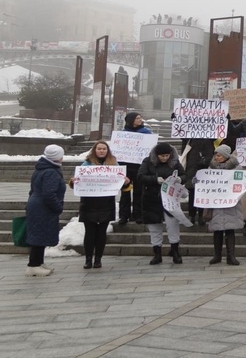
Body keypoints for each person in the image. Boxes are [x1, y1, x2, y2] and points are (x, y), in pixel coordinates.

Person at [72, 141, 130, 269]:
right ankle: (88, 259)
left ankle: (98, 258)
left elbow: (123, 185)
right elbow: (75, 182)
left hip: (106, 202)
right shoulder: (86, 164)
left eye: (104, 149)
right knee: (90, 232)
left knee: (101, 233)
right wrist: (74, 181)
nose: (102, 151)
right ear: (95, 150)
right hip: (89, 203)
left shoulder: (114, 164)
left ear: (107, 150)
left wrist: (126, 182)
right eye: (99, 149)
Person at [139, 142, 186, 266]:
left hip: (170, 199)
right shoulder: (147, 162)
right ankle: (157, 253)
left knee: (172, 226)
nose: (165, 158)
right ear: (156, 155)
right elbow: (140, 176)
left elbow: (184, 175)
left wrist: (179, 179)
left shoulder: (175, 162)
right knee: (154, 227)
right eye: (162, 156)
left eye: (167, 155)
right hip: (152, 199)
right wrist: (155, 180)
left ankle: (175, 251)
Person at [25, 145, 66, 277]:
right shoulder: (51, 172)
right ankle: (33, 265)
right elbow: (49, 194)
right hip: (43, 206)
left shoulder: (42, 168)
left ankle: (38, 262)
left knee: (39, 234)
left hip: (36, 204)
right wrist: (58, 207)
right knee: (39, 235)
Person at [206, 144, 243, 265]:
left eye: (219, 155)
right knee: (217, 230)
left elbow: (242, 183)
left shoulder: (237, 168)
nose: (216, 157)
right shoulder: (211, 168)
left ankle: (231, 256)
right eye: (216, 154)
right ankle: (217, 255)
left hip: (230, 203)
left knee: (229, 230)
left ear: (226, 156)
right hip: (216, 202)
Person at [117, 111, 151, 225]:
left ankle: (138, 214)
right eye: (137, 118)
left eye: (140, 118)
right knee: (125, 192)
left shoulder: (146, 133)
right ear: (131, 120)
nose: (140, 120)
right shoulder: (123, 134)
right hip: (125, 167)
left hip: (140, 167)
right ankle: (124, 215)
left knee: (139, 192)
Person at [182, 137, 215, 225]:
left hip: (201, 169)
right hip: (191, 169)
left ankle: (200, 215)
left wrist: (204, 161)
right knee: (192, 192)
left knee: (201, 193)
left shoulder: (208, 140)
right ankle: (192, 215)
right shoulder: (189, 139)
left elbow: (210, 154)